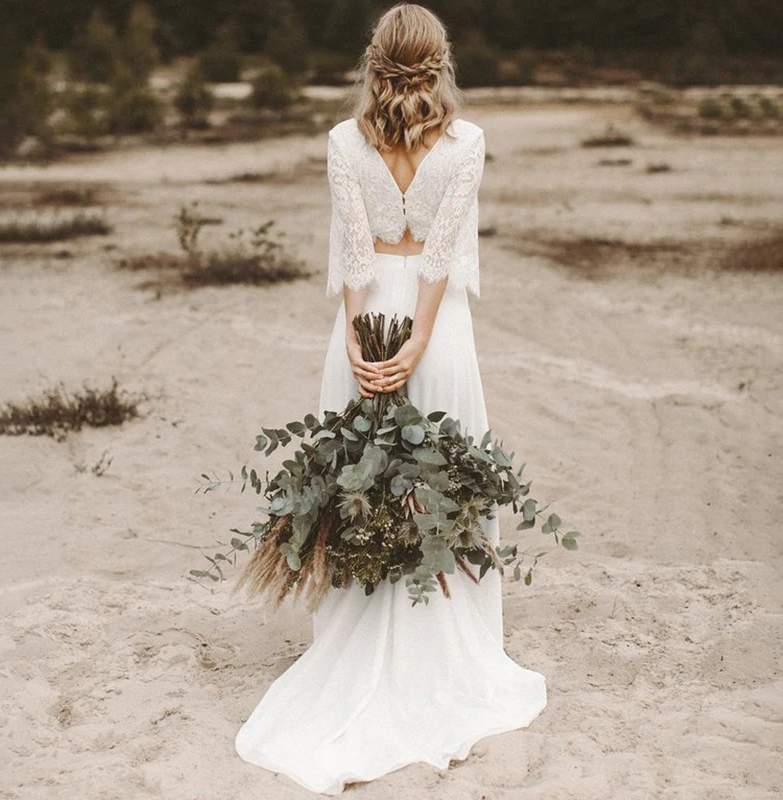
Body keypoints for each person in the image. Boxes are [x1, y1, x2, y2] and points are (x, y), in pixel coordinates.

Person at [234, 3, 547, 793]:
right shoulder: (467, 141)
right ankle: (444, 631)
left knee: (356, 475)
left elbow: (352, 246)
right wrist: (417, 341)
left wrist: (356, 334)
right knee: (447, 478)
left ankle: (365, 622)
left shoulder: (344, 140)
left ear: (374, 61)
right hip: (437, 331)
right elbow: (439, 255)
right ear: (438, 63)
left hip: (364, 311)